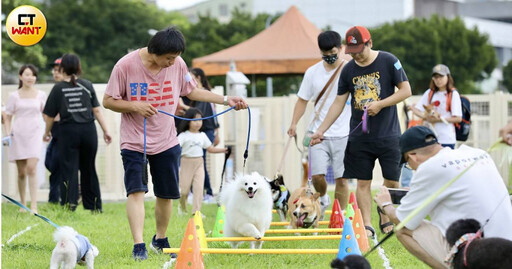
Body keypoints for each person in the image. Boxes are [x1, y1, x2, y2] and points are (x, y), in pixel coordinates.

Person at [102, 26, 247, 261]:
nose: (173, 63)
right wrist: (134, 106)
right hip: (134, 141)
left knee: (167, 194)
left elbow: (193, 92)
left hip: (167, 140)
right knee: (136, 191)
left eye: (176, 58)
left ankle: (160, 238)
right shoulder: (125, 66)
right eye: (169, 58)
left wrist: (225, 99)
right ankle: (138, 244)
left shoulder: (178, 65)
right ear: (154, 52)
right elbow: (108, 100)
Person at [310, 26, 412, 238]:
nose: (356, 55)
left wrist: (381, 104)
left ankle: (384, 212)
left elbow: (406, 91)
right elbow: (338, 103)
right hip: (359, 137)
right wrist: (320, 130)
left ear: (370, 43)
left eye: (359, 50)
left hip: (388, 134)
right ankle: (367, 225)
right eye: (352, 51)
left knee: (392, 181)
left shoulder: (388, 60)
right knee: (363, 182)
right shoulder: (348, 70)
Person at [374, 126, 512, 269]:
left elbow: (404, 221)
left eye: (408, 164)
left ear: (413, 156)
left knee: (402, 230)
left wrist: (386, 204)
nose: (412, 168)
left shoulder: (429, 167)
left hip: (477, 255)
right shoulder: (478, 153)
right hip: (507, 248)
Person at [287, 30, 351, 216]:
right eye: (325, 54)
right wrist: (293, 123)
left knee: (342, 179)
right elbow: (302, 100)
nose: (330, 57)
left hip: (344, 132)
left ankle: (340, 214)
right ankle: (322, 198)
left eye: (333, 53)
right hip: (317, 134)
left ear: (340, 48)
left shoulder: (349, 69)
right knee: (317, 176)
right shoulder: (312, 72)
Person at [43, 53, 112, 212]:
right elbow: (97, 111)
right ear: (78, 67)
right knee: (89, 168)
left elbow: (50, 116)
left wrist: (47, 133)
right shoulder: (87, 85)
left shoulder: (58, 88)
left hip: (68, 132)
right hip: (88, 131)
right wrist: (106, 131)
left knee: (69, 169)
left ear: (62, 68)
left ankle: (69, 205)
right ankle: (94, 206)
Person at [3, 64, 47, 214]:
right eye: (27, 74)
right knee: (21, 172)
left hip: (35, 134)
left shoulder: (41, 95)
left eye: (33, 75)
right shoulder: (14, 96)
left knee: (32, 168)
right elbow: (8, 117)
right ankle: (23, 203)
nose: (30, 78)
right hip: (19, 134)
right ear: (21, 76)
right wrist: (8, 134)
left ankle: (34, 206)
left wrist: (48, 131)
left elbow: (46, 115)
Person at [177, 108, 227, 215]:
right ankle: (182, 207)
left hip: (199, 163)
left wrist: (224, 150)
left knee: (199, 189)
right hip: (186, 162)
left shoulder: (202, 136)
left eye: (200, 120)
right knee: (184, 190)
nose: (198, 123)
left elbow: (211, 149)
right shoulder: (183, 135)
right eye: (194, 120)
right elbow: (176, 148)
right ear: (188, 121)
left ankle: (197, 212)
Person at [183, 67, 220, 203]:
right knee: (198, 162)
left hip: (206, 130)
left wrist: (182, 106)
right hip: (207, 130)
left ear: (198, 78)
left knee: (199, 162)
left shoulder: (203, 94)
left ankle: (207, 192)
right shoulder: (198, 94)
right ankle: (199, 192)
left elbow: (199, 113)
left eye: (190, 77)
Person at [411, 64, 462, 149]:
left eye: (441, 77)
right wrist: (426, 117)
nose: (438, 80)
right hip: (430, 138)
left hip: (447, 139)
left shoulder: (453, 94)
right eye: (435, 77)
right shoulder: (430, 93)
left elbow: (458, 118)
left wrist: (437, 120)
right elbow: (417, 110)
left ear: (448, 77)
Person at [45, 58, 65, 204]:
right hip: (55, 131)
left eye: (58, 70)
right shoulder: (56, 89)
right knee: (50, 163)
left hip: (65, 130)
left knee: (57, 166)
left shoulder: (67, 88)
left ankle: (54, 200)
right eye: (54, 70)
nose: (55, 73)